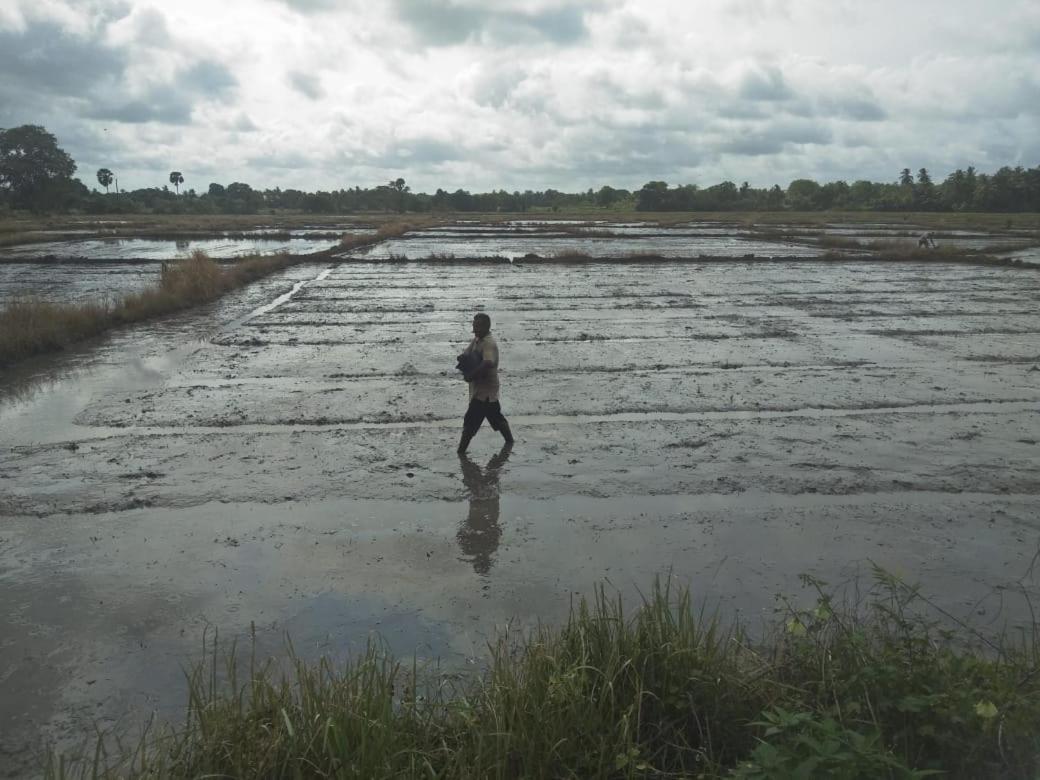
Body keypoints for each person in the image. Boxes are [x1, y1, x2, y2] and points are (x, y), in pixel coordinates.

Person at [458, 312, 513, 453]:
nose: (474, 329)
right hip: (479, 389)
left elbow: (487, 363)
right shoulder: (477, 339)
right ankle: (510, 441)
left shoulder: (489, 343)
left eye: (477, 327)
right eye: (473, 326)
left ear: (486, 327)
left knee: (470, 422)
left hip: (486, 392)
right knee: (496, 417)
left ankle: (461, 452)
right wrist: (463, 362)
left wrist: (470, 375)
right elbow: (465, 355)